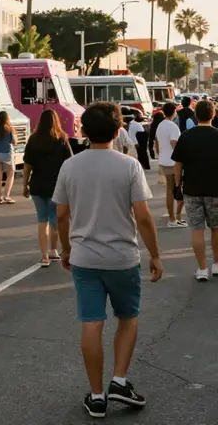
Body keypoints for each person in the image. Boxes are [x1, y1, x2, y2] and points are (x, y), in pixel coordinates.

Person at [53, 102, 162, 418]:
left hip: (85, 258)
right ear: (119, 130)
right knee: (128, 317)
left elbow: (61, 214)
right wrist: (155, 254)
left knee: (91, 322)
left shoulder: (70, 166)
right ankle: (119, 380)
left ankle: (97, 396)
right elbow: (142, 216)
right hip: (122, 257)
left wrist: (67, 248)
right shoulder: (129, 166)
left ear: (83, 132)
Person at [173, 98, 218, 281]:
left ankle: (202, 269)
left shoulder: (186, 136)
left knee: (197, 229)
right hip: (216, 189)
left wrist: (177, 185)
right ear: (213, 114)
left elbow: (178, 164)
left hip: (192, 190)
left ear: (195, 115)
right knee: (216, 228)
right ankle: (216, 265)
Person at [23, 109, 73, 266]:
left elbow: (27, 165)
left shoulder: (33, 139)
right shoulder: (62, 139)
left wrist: (25, 184)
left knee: (42, 220)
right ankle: (53, 250)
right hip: (56, 186)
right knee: (55, 219)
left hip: (37, 185)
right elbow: (69, 163)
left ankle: (44, 257)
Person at [155, 101, 185, 228]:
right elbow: (174, 143)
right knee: (179, 189)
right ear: (174, 112)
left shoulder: (160, 125)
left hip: (164, 160)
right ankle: (174, 218)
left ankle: (173, 218)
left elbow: (157, 141)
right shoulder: (172, 126)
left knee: (170, 189)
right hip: (174, 162)